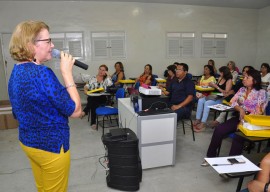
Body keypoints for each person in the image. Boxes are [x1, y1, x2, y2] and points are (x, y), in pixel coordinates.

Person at [8, 20, 82, 192]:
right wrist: (67, 73)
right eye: (48, 41)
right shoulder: (43, 73)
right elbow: (76, 111)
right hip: (52, 147)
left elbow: (18, 111)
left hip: (28, 142)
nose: (52, 45)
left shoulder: (16, 71)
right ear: (30, 45)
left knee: (42, 188)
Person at [201, 69, 268, 166]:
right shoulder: (242, 90)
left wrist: (242, 122)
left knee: (238, 136)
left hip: (252, 122)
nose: (243, 79)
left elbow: (259, 111)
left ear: (255, 81)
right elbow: (233, 101)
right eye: (244, 77)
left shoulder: (261, 93)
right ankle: (210, 157)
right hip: (239, 117)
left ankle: (232, 165)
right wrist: (240, 109)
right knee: (219, 129)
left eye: (247, 77)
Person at [193, 66, 233, 132]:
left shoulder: (229, 80)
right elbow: (214, 90)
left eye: (221, 72)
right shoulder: (220, 78)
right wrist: (211, 86)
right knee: (200, 100)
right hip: (214, 96)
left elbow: (225, 93)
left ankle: (203, 123)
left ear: (224, 73)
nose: (219, 74)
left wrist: (216, 86)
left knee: (207, 103)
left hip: (221, 99)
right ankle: (198, 119)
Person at [81, 64, 113, 129]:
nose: (101, 71)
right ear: (98, 70)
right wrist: (85, 89)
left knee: (93, 101)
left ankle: (85, 111)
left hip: (102, 97)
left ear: (105, 72)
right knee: (93, 102)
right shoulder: (93, 77)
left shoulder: (106, 79)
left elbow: (110, 84)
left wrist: (108, 75)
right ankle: (93, 122)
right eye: (100, 69)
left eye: (103, 70)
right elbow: (87, 85)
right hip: (92, 96)